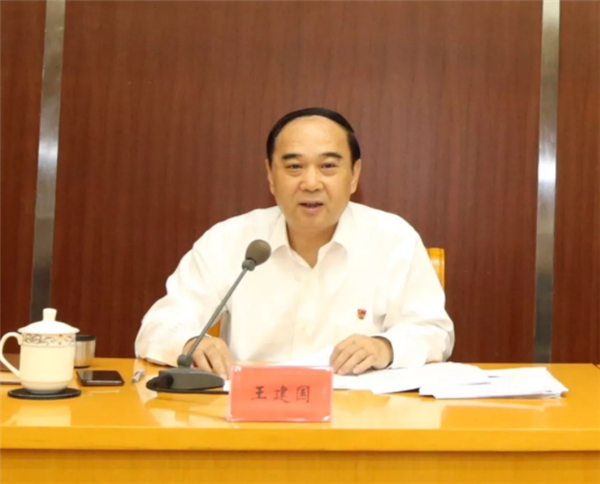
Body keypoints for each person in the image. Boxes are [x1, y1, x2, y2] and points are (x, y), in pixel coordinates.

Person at [135, 107, 454, 379]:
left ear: (354, 174)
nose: (311, 183)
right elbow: (160, 325)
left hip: (357, 418)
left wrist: (385, 347)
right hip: (251, 418)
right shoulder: (228, 241)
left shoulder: (394, 240)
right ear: (270, 175)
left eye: (328, 166)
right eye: (294, 167)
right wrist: (190, 342)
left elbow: (434, 332)